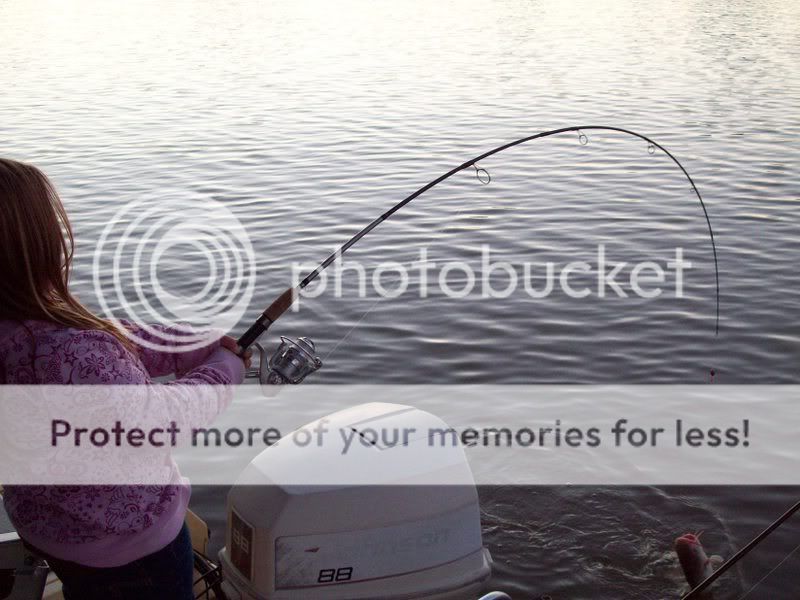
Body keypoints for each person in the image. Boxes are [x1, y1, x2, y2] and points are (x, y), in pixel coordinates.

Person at [0, 157, 251, 599]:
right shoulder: (72, 348)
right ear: (36, 243)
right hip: (131, 553)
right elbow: (158, 422)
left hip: (46, 527)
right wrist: (224, 371)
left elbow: (108, 348)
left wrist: (186, 343)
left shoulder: (29, 333)